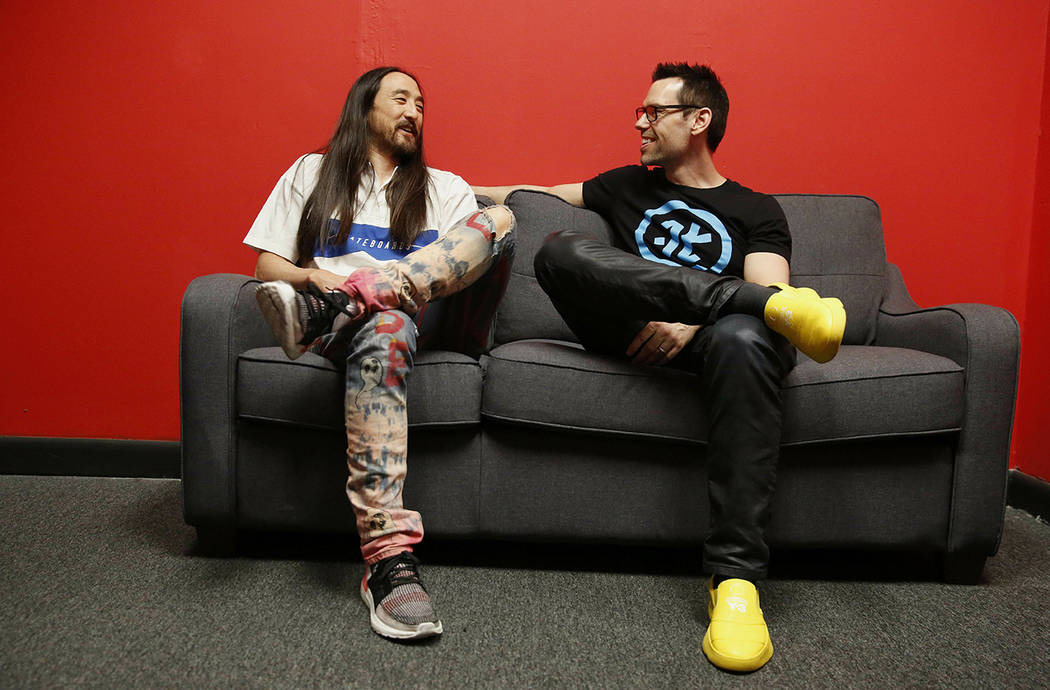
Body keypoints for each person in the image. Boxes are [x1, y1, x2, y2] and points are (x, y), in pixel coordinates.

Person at [472, 62, 844, 672]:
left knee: (752, 334)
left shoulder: (755, 209)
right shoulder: (626, 184)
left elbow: (776, 298)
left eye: (653, 111)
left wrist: (698, 320)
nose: (638, 121)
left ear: (700, 120)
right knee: (558, 250)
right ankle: (728, 305)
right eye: (639, 112)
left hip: (717, 342)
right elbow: (531, 196)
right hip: (631, 330)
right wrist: (440, 184)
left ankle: (736, 583)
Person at [244, 66, 515, 641]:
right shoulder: (312, 173)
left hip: (420, 321)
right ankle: (388, 564)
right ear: (364, 108)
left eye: (421, 103)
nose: (415, 110)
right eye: (400, 98)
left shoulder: (443, 187)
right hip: (346, 330)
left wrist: (355, 293)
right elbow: (267, 265)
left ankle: (351, 300)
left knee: (501, 219)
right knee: (386, 323)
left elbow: (468, 265)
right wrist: (310, 276)